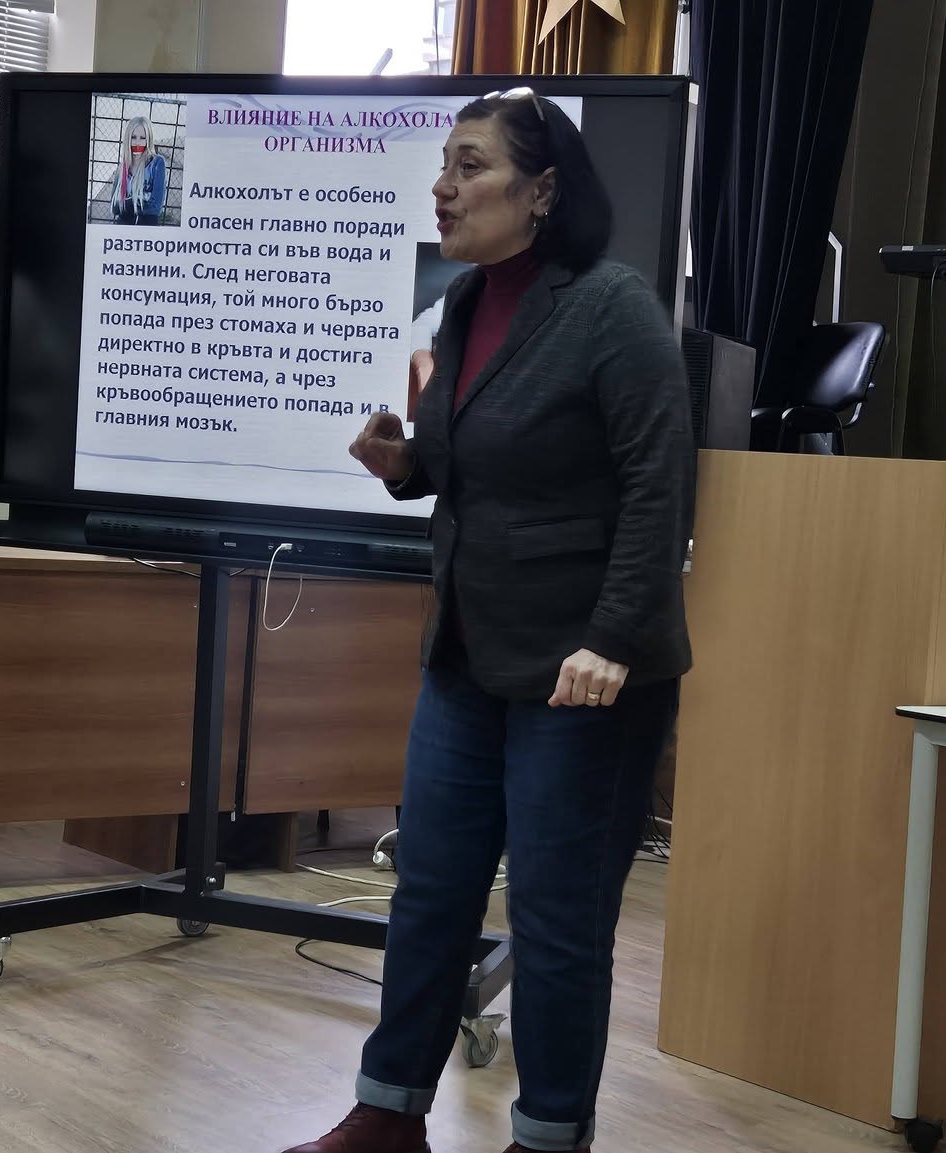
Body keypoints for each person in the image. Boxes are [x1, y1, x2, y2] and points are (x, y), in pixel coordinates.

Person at [283, 89, 692, 1153]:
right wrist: (406, 463)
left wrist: (612, 638)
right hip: (467, 655)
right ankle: (387, 1114)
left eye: (470, 166)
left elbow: (659, 487)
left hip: (583, 670)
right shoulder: (467, 302)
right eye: (444, 165)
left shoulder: (612, 308)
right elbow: (479, 463)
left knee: (556, 921)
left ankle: (547, 1137)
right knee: (430, 892)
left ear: (542, 191)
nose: (442, 186)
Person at [110, 115, 169, 225]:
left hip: (146, 229)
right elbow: (114, 207)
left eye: (142, 138)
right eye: (133, 137)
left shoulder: (157, 163)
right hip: (123, 227)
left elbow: (156, 207)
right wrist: (138, 203)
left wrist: (128, 205)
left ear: (148, 139)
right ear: (128, 139)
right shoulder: (122, 168)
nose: (137, 142)